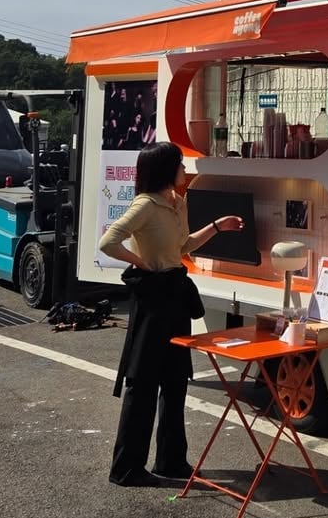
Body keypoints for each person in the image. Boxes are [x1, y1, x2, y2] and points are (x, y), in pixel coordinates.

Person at [99, 140, 245, 487]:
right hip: (152, 299)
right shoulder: (145, 205)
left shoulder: (177, 202)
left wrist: (217, 226)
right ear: (166, 169)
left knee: (176, 381)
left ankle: (171, 460)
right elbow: (108, 241)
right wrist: (140, 262)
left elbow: (183, 246)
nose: (184, 169)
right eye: (180, 164)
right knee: (143, 383)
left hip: (175, 296)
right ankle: (127, 468)